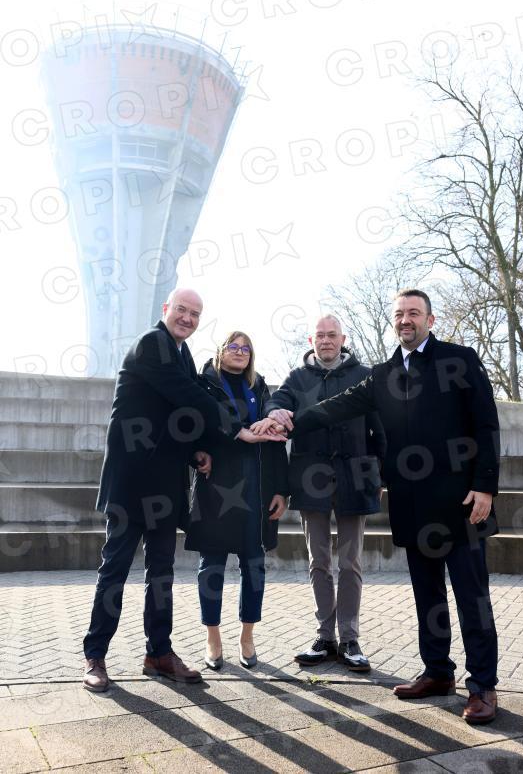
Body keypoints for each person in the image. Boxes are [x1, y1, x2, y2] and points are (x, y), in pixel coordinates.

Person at [256, 290, 500, 725]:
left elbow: (486, 423)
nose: (406, 320)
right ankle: (438, 672)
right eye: (399, 314)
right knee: (428, 597)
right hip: (412, 504)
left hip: (461, 502)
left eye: (414, 313)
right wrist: (286, 422)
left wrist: (485, 487)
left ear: (430, 319)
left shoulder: (459, 359)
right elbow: (334, 408)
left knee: (472, 597)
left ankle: (482, 685)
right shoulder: (383, 374)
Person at [83, 290, 283, 692]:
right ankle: (95, 656)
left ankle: (159, 653)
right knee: (115, 570)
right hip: (131, 483)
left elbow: (180, 415)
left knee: (161, 574)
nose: (187, 318)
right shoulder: (152, 344)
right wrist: (237, 429)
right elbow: (189, 396)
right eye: (181, 310)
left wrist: (195, 452)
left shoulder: (183, 354)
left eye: (195, 313)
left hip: (165, 485)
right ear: (166, 310)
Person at [259, 315, 385, 671]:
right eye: (320, 336)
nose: (326, 340)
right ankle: (325, 637)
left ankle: (350, 639)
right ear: (311, 340)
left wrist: (379, 475)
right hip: (310, 480)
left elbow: (381, 431)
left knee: (350, 562)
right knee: (319, 561)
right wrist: (275, 411)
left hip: (355, 478)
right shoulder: (297, 378)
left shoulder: (365, 375)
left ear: (343, 339)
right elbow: (274, 402)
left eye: (332, 335)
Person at [185, 331, 288, 670]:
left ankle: (247, 636)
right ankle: (212, 637)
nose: (240, 352)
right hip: (216, 487)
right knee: (211, 565)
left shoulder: (259, 386)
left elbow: (274, 443)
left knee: (254, 565)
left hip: (257, 488)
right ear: (220, 351)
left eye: (246, 348)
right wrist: (197, 453)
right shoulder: (203, 384)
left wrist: (280, 489)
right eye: (233, 346)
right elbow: (194, 427)